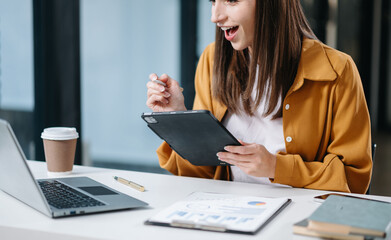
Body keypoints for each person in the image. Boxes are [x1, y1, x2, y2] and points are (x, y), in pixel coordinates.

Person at [146, 0, 372, 194]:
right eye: (213, 1)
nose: (215, 16)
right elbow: (199, 173)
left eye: (232, 0)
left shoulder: (337, 71)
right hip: (226, 213)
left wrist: (277, 167)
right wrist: (179, 119)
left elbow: (353, 179)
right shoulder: (212, 59)